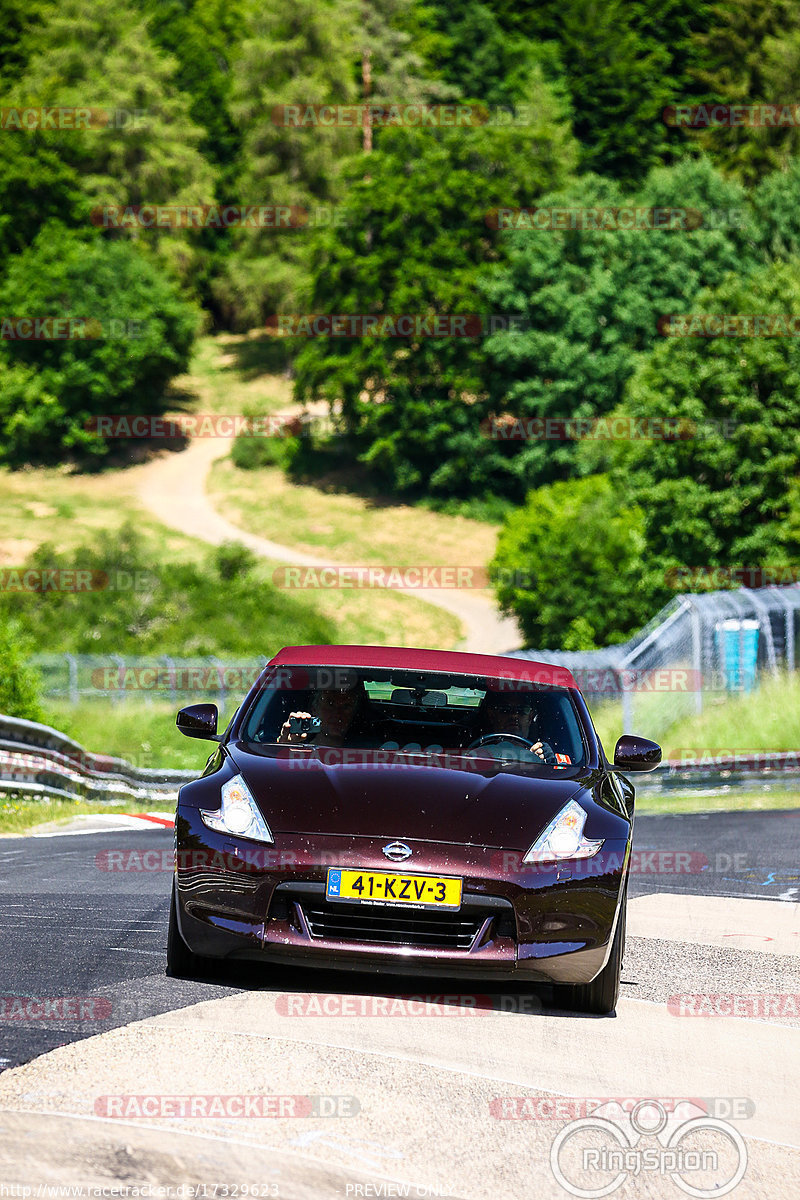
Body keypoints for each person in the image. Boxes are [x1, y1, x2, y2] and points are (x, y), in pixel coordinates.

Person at [474, 691, 557, 763]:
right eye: (505, 709)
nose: (514, 715)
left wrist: (548, 762)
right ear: (492, 716)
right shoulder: (476, 756)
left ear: (530, 717)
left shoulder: (541, 754)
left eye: (522, 710)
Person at [277, 678, 364, 747]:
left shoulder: (369, 756)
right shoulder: (300, 754)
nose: (338, 713)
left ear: (354, 712)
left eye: (346, 707)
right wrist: (285, 748)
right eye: (330, 704)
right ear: (314, 709)